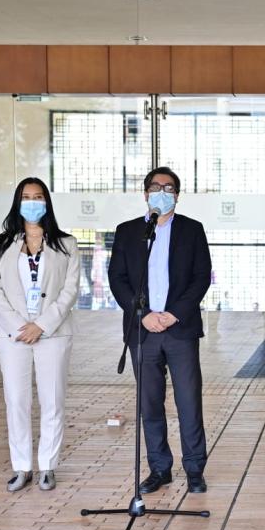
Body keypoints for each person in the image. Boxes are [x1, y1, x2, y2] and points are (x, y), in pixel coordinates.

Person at [109, 167, 212, 494]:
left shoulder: (192, 230)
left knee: (188, 401)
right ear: (145, 194)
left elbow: (201, 277)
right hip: (143, 330)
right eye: (156, 187)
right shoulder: (127, 232)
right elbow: (118, 279)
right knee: (150, 403)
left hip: (179, 329)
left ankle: (194, 468)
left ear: (177, 196)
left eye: (169, 188)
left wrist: (173, 314)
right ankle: (159, 468)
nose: (162, 192)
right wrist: (142, 315)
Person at [0, 178, 79, 492]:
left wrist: (42, 325)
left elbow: (69, 290)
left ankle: (48, 466)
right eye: (26, 197)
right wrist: (18, 326)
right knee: (17, 401)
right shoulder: (1, 244)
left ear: (47, 202)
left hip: (52, 334)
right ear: (17, 202)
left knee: (52, 400)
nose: (32, 202)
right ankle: (21, 466)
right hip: (12, 336)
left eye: (38, 197)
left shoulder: (66, 244)